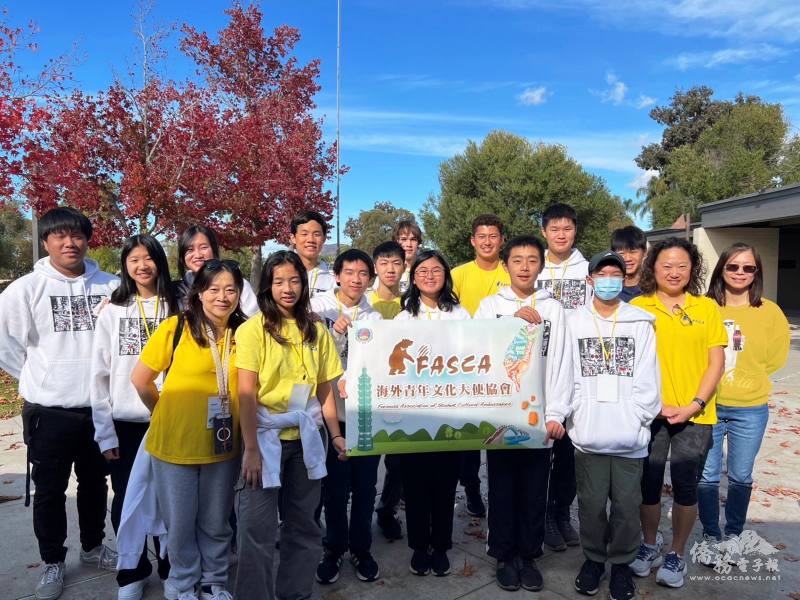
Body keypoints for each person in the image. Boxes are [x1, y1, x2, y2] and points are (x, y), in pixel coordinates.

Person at [0, 207, 119, 600]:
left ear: (88, 239)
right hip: (49, 411)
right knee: (50, 490)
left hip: (99, 409)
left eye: (77, 235)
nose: (70, 243)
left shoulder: (111, 287)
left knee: (94, 483)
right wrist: (40, 376)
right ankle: (52, 561)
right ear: (46, 241)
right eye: (60, 236)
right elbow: (7, 345)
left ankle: (91, 546)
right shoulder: (25, 289)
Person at [131, 260, 246, 600]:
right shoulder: (175, 328)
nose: (222, 297)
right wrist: (163, 412)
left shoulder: (246, 334)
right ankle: (182, 583)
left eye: (230, 289)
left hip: (223, 445)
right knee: (179, 524)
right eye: (213, 289)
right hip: (175, 447)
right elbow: (141, 380)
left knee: (216, 522)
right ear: (198, 292)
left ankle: (214, 582)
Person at [234, 251, 344, 600]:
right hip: (264, 439)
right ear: (267, 285)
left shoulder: (316, 330)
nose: (287, 288)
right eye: (279, 281)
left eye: (294, 280)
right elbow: (246, 392)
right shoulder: (252, 330)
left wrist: (336, 435)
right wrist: (250, 448)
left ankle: (295, 593)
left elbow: (324, 387)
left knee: (304, 525)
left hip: (306, 438)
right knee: (256, 529)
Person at [474, 235, 573, 593]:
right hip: (500, 412)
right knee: (501, 486)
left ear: (541, 266)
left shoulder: (554, 309)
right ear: (506, 265)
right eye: (517, 260)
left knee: (534, 489)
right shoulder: (489, 306)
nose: (525, 267)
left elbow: (562, 363)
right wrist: (511, 325)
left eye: (532, 260)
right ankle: (503, 554)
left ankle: (528, 555)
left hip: (538, 415)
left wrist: (557, 413)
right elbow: (477, 353)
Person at [629, 237, 727, 588]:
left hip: (695, 415)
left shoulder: (706, 308)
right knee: (648, 486)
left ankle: (676, 553)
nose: (674, 272)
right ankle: (649, 546)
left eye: (682, 266)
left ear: (692, 269)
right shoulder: (637, 308)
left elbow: (716, 362)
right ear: (652, 268)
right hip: (650, 415)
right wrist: (653, 405)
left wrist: (694, 405)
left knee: (687, 488)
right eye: (666, 265)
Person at [566, 251, 661, 600]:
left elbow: (649, 378)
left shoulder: (640, 322)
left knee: (625, 507)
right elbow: (566, 373)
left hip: (628, 437)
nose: (608, 279)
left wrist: (638, 417)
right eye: (601, 273)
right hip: (588, 435)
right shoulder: (572, 322)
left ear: (624, 280)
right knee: (590, 506)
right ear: (589, 280)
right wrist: (575, 412)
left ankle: (621, 564)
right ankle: (593, 560)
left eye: (615, 274)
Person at [90, 235, 176, 599]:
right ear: (125, 265)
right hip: (127, 422)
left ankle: (172, 569)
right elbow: (99, 374)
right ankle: (132, 571)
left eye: (149, 258)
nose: (143, 266)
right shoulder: (112, 311)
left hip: (173, 421)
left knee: (172, 499)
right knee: (127, 499)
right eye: (134, 259)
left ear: (160, 261)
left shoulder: (180, 306)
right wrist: (104, 433)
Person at [698, 244, 790, 552]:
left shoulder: (769, 311)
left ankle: (734, 533)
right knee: (707, 475)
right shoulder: (703, 306)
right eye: (733, 267)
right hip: (707, 405)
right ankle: (711, 534)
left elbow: (776, 356)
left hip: (750, 407)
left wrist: (749, 376)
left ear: (757, 273)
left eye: (748, 268)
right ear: (721, 269)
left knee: (740, 476)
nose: (740, 273)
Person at [396, 250, 472, 577]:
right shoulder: (402, 319)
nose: (429, 275)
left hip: (450, 413)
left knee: (445, 485)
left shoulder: (460, 314)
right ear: (413, 278)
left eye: (436, 270)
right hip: (413, 415)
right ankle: (418, 547)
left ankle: (440, 546)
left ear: (446, 276)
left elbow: (476, 354)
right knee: (415, 486)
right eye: (422, 270)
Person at [310, 249, 383, 584]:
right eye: (349, 272)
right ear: (336, 275)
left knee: (366, 486)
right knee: (335, 489)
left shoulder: (376, 318)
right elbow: (307, 341)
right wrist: (334, 331)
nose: (356, 278)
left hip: (365, 412)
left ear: (370, 279)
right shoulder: (319, 308)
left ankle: (361, 548)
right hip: (329, 412)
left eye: (363, 273)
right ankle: (334, 548)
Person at [537, 202, 589, 550]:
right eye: (554, 228)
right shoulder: (530, 266)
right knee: (541, 448)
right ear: (544, 232)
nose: (560, 234)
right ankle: (540, 515)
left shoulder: (590, 272)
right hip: (539, 373)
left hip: (578, 373)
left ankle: (560, 512)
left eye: (567, 228)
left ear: (575, 231)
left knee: (570, 452)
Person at [451, 214, 510, 519]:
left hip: (505, 368)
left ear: (501, 239)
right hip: (467, 367)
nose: (488, 242)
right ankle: (472, 489)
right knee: (469, 438)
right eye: (482, 236)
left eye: (493, 236)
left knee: (500, 433)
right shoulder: (458, 274)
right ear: (473, 240)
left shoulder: (512, 271)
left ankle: (501, 494)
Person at [368, 241, 405, 540]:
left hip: (403, 391)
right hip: (369, 389)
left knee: (398, 459)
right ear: (375, 267)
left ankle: (387, 509)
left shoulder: (412, 302)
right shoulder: (364, 303)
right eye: (384, 263)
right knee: (366, 461)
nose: (390, 269)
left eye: (396, 263)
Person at [175, 225, 259, 316]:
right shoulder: (176, 290)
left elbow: (251, 320)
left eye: (204, 247)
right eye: (190, 250)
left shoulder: (238, 284)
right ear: (182, 257)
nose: (198, 255)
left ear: (214, 251)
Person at [290, 210, 336, 297]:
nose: (310, 240)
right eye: (304, 234)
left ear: (324, 238)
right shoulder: (282, 274)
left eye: (317, 234)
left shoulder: (333, 281)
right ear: (293, 238)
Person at [610, 225, 647, 302]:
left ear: (644, 252)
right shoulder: (608, 290)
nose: (627, 259)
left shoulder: (655, 287)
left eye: (633, 252)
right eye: (621, 253)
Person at [393, 219, 423, 293]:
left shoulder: (426, 271)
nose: (408, 244)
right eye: (403, 239)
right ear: (396, 242)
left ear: (418, 243)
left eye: (413, 239)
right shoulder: (388, 272)